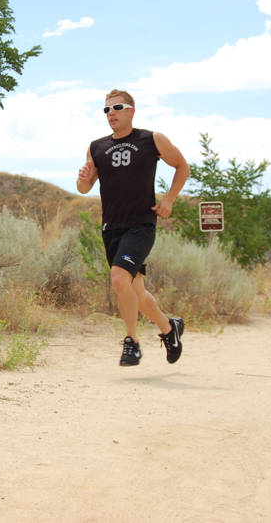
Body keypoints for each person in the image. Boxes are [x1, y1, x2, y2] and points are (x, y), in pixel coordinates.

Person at [77, 89, 190, 366]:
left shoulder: (151, 139)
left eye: (116, 108)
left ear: (131, 111)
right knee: (135, 291)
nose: (111, 113)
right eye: (106, 110)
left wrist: (169, 200)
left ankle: (132, 342)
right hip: (111, 227)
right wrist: (82, 178)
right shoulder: (97, 146)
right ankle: (169, 329)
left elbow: (182, 167)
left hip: (140, 225)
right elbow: (84, 187)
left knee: (118, 279)